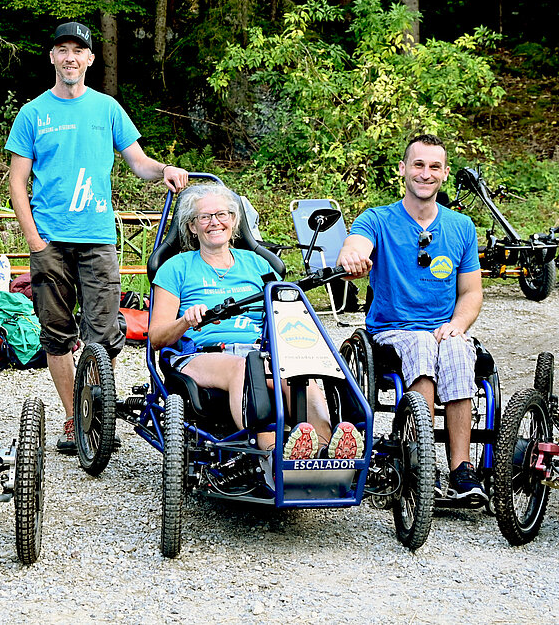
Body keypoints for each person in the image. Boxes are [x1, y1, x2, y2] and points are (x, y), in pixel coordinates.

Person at [5, 21, 188, 453]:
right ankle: (75, 418)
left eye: (78, 51)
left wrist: (164, 170)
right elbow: (17, 182)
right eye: (62, 50)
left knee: (104, 335)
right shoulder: (33, 113)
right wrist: (34, 240)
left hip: (98, 238)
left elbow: (138, 161)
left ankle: (95, 412)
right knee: (56, 334)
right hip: (50, 240)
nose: (70, 57)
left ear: (89, 58)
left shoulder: (107, 109)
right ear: (52, 57)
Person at [150, 184, 362, 461]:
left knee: (300, 375)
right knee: (244, 367)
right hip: (201, 354)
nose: (215, 222)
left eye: (222, 214)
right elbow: (157, 337)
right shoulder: (175, 267)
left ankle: (323, 450)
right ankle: (274, 453)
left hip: (259, 351)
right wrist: (185, 321)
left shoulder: (258, 264)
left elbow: (286, 313)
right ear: (192, 227)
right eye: (205, 217)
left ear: (234, 220)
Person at [336, 134, 487, 504]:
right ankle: (422, 463)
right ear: (403, 169)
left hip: (442, 328)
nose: (426, 173)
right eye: (418, 164)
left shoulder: (461, 226)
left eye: (434, 166)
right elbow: (355, 245)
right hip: (392, 330)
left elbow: (471, 293)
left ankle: (461, 468)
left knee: (457, 349)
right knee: (421, 344)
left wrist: (458, 325)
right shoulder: (377, 219)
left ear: (445, 173)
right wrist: (352, 257)